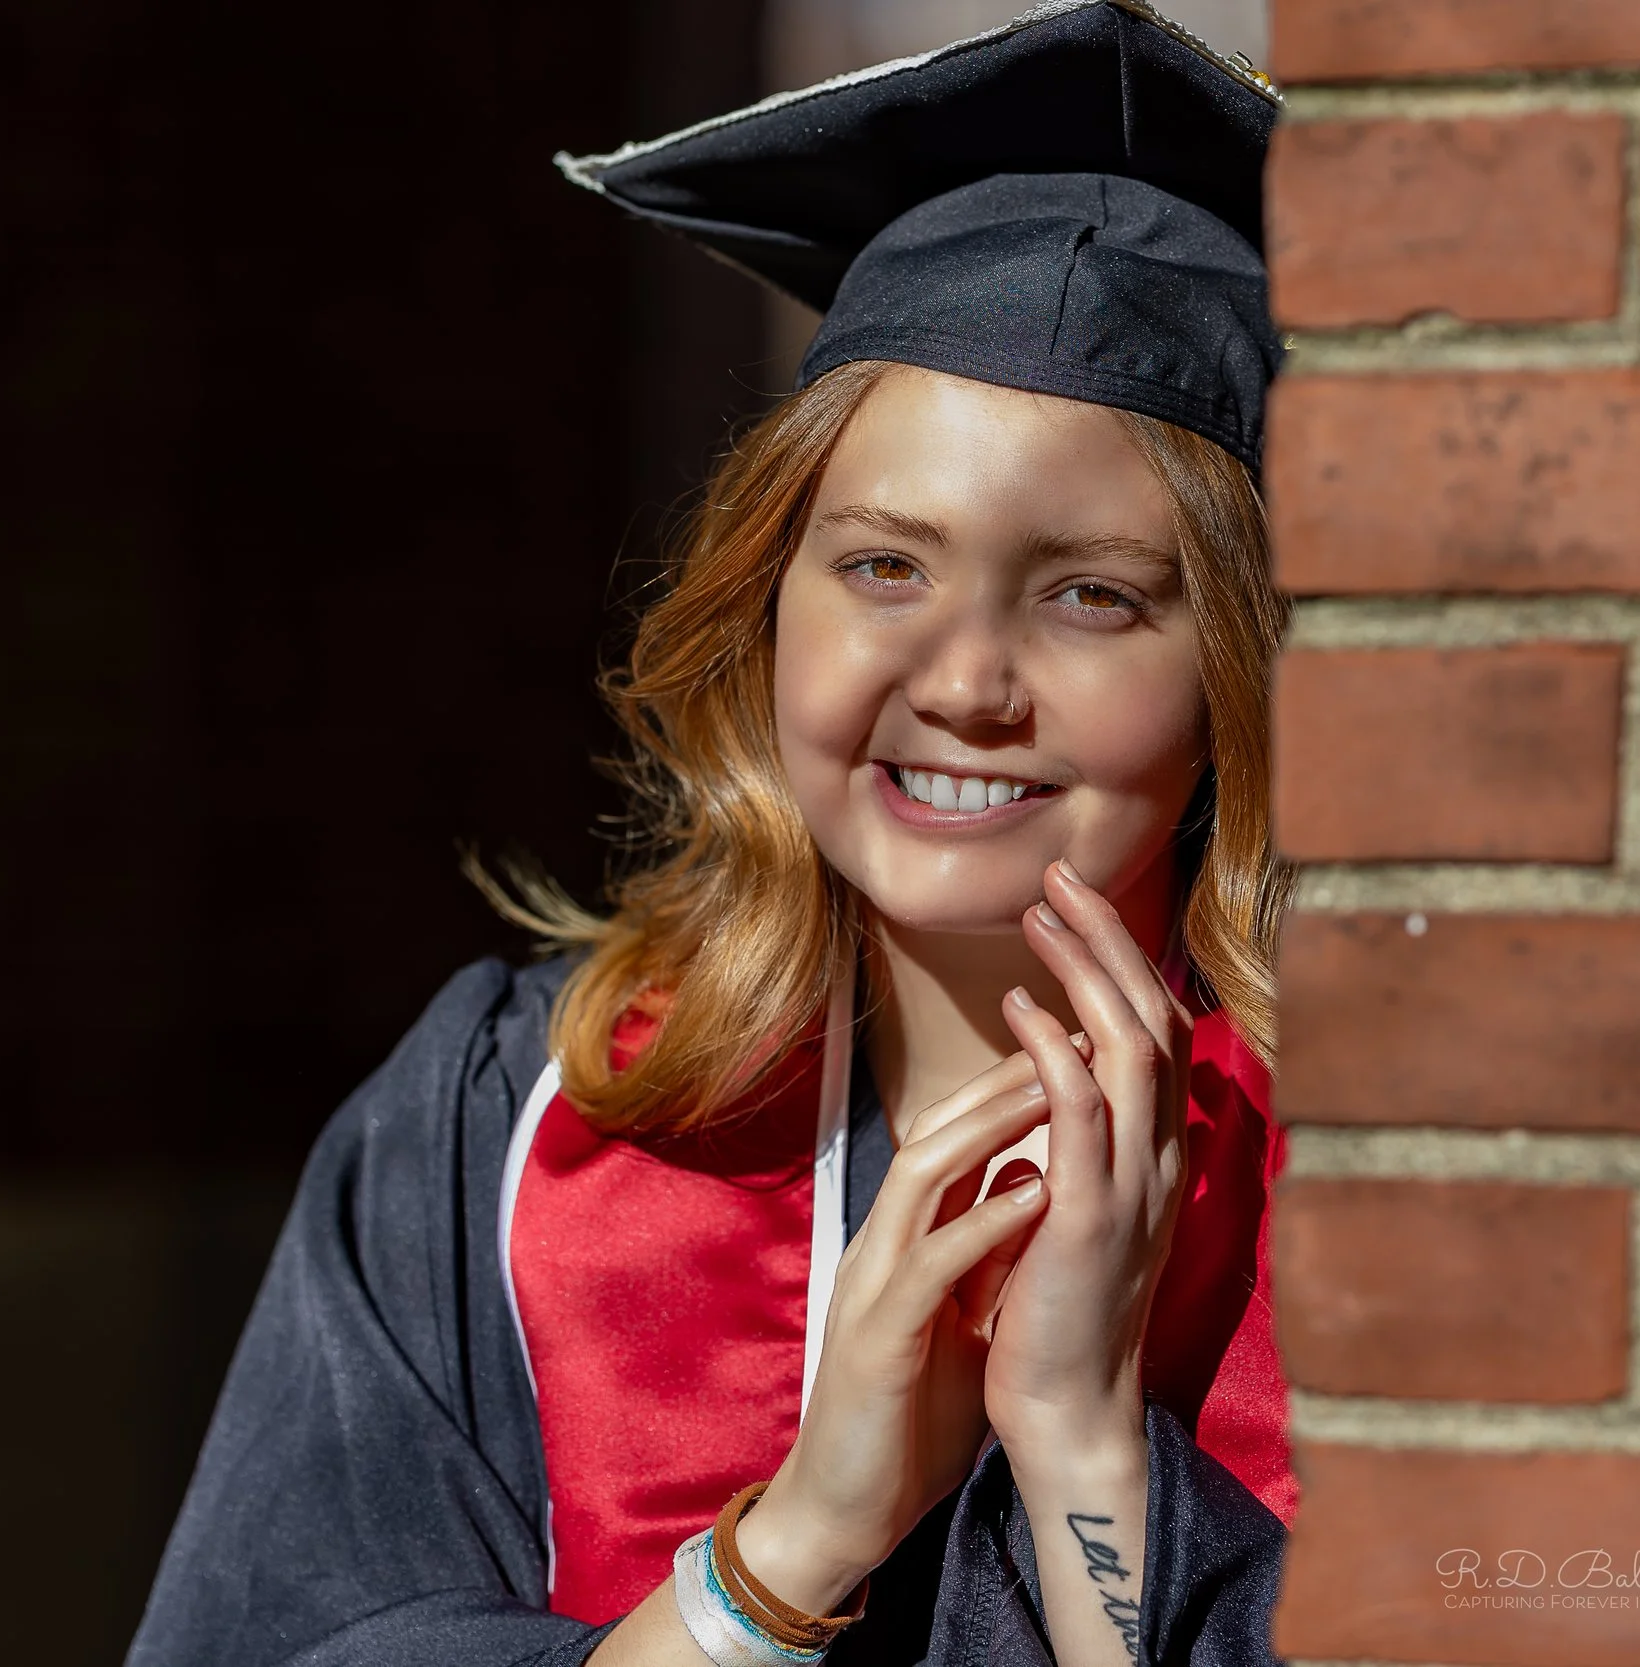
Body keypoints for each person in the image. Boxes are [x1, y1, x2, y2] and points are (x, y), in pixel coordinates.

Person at [128, 5, 1292, 1663]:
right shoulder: (508, 1122)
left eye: (1094, 597)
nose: (963, 681)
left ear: (1230, 675)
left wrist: (1089, 1455)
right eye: (883, 564)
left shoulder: (1393, 1183)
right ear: (766, 603)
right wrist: (796, 1542)